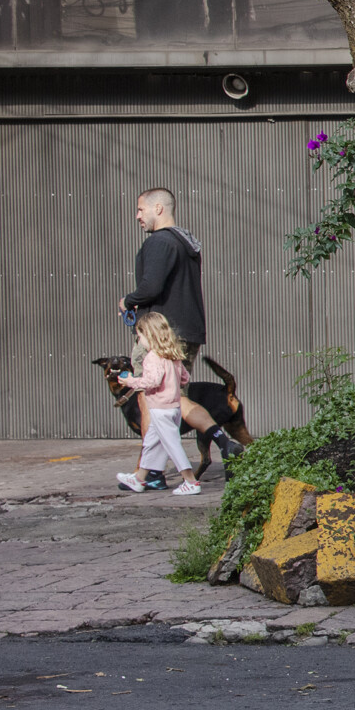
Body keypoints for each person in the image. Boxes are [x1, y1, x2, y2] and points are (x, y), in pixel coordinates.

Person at [119, 186, 242, 465]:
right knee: (175, 399)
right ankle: (222, 442)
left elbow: (150, 287)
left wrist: (127, 301)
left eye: (141, 209)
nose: (137, 216)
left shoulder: (159, 242)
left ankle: (150, 471)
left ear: (158, 209)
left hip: (161, 333)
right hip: (187, 331)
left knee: (151, 398)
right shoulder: (187, 244)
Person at [115, 311, 201, 495]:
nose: (140, 342)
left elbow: (151, 381)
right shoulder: (173, 356)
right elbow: (185, 379)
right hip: (173, 408)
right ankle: (139, 478)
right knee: (152, 443)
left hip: (160, 408)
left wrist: (131, 381)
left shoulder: (152, 358)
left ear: (149, 335)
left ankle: (190, 481)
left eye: (140, 337)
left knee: (172, 445)